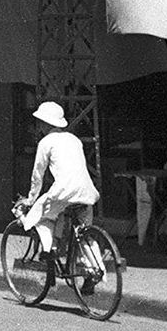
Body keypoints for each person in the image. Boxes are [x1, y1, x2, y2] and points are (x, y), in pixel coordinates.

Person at [21, 101, 103, 293]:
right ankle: (93, 270)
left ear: (44, 124)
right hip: (86, 192)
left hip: (65, 191)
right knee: (84, 235)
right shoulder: (74, 140)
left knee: (39, 217)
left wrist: (30, 199)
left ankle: (49, 250)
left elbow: (37, 175)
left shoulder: (45, 142)